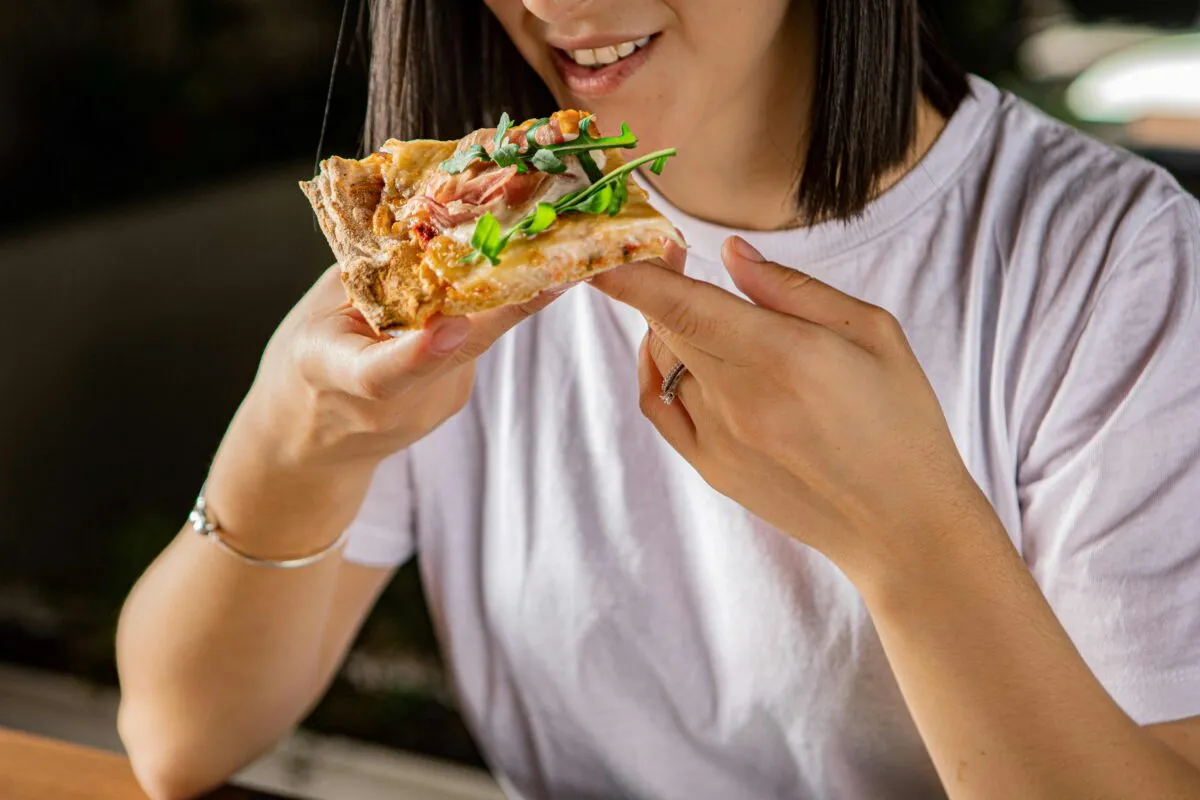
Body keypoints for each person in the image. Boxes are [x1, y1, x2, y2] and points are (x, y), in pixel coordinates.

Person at [115, 1, 1200, 798]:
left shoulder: (1114, 262)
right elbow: (177, 735)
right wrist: (297, 435)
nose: (560, 8)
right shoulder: (458, 243)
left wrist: (907, 532)